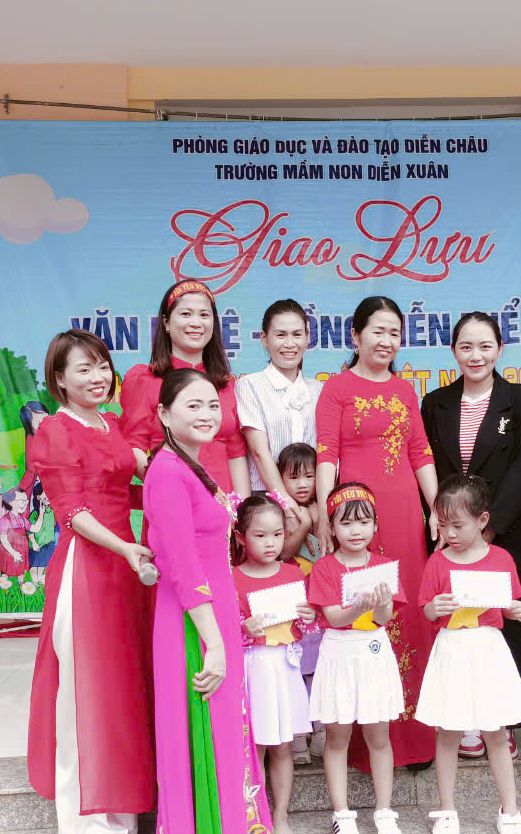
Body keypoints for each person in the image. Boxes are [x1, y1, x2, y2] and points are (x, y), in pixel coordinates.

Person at [133, 367, 311, 834]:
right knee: (206, 749)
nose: (208, 414)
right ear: (164, 414)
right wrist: (213, 641)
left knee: (227, 748)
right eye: (193, 405)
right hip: (194, 627)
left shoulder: (191, 466)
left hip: (213, 621)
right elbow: (183, 565)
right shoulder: (167, 472)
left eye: (213, 404)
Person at [24, 329, 156, 834]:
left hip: (125, 567)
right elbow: (73, 512)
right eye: (83, 369)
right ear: (59, 379)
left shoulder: (111, 423)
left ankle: (120, 807)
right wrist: (124, 547)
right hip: (88, 569)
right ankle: (85, 821)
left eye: (102, 365)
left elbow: (127, 488)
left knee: (120, 688)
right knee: (85, 693)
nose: (98, 376)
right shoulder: (54, 431)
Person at [315, 295, 439, 772]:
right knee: (359, 610)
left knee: (405, 611)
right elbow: (327, 454)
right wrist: (326, 513)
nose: (386, 341)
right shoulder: (336, 389)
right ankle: (363, 743)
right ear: (355, 336)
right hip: (356, 515)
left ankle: (411, 737)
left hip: (404, 512)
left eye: (394, 333)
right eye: (377, 331)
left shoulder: (405, 390)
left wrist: (434, 508)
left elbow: (420, 452)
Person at [421, 310, 521, 760]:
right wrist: (447, 523)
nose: (476, 355)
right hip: (452, 534)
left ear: (500, 349)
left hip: (505, 533)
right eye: (466, 347)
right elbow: (428, 464)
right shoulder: (435, 402)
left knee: (502, 622)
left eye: (485, 346)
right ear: (453, 351)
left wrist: (488, 529)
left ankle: (504, 722)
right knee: (457, 624)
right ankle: (462, 719)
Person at [415, 474, 521, 834]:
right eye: (443, 524)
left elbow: (510, 606)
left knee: (495, 731)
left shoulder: (501, 559)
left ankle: (510, 813)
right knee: (448, 731)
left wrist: (518, 609)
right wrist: (436, 608)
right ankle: (447, 812)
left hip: (488, 649)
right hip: (452, 647)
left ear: (482, 520)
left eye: (458, 525)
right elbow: (427, 610)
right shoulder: (437, 561)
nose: (449, 533)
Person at [306, 482, 407, 834]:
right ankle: (342, 814)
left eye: (364, 522)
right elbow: (333, 617)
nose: (355, 530)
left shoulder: (383, 566)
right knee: (337, 737)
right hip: (338, 651)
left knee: (379, 736)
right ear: (332, 527)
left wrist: (377, 605)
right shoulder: (324, 568)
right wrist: (359, 606)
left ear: (375, 525)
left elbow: (384, 617)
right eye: (346, 523)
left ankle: (384, 810)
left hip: (373, 651)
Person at [232, 493, 318, 834]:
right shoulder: (232, 578)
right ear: (240, 537)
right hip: (253, 668)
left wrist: (309, 617)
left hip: (285, 665)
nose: (271, 543)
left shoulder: (293, 573)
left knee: (283, 744)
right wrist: (242, 628)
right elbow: (222, 631)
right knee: (254, 746)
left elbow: (307, 626)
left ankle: (280, 815)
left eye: (278, 534)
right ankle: (252, 815)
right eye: (260, 535)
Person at [121, 279, 250, 497]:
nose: (196, 323)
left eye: (204, 315)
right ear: (166, 323)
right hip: (172, 499)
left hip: (223, 506)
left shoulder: (226, 383)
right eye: (186, 314)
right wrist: (167, 484)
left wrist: (241, 509)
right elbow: (133, 447)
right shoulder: (145, 379)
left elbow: (235, 452)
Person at [236, 299, 323, 506]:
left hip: (314, 499)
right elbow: (259, 452)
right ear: (264, 339)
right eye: (281, 335)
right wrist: (286, 503)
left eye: (297, 334)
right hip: (266, 499)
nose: (289, 344)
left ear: (307, 337)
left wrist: (319, 505)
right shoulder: (249, 385)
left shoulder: (319, 389)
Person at [276, 441, 324, 766]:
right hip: (292, 601)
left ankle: (321, 730)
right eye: (294, 478)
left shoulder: (326, 508)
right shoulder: (280, 513)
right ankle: (297, 734)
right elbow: (283, 553)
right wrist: (304, 524)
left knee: (318, 665)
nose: (303, 484)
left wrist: (317, 521)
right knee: (294, 665)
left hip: (318, 601)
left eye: (309, 476)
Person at [0, 488, 33, 594]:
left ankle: (23, 592)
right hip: (8, 551)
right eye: (21, 500)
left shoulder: (22, 518)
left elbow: (34, 528)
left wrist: (41, 513)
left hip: (21, 550)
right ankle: (3, 595)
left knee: (21, 572)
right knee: (5, 573)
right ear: (10, 502)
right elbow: (3, 539)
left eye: (25, 501)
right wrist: (13, 553)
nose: (24, 504)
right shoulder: (5, 519)